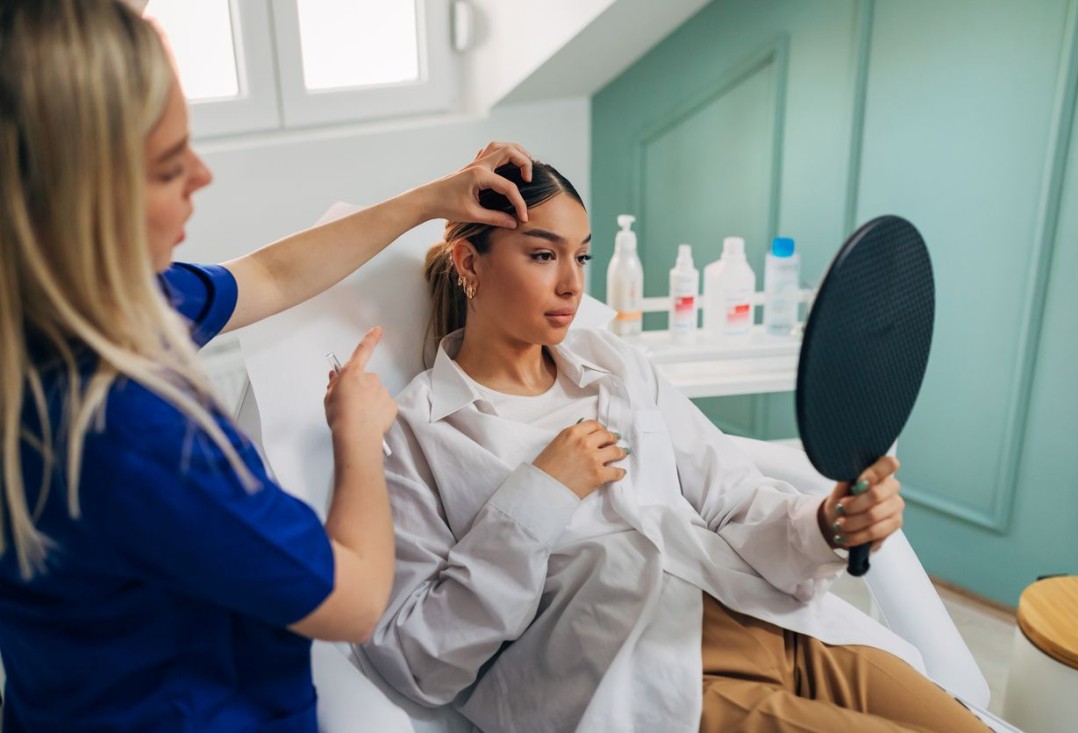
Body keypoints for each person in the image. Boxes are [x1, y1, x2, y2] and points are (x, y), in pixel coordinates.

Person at [0, 1, 535, 730]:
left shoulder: (88, 308)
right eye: (166, 168)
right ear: (76, 198)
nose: (201, 175)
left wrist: (431, 197)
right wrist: (357, 440)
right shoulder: (135, 435)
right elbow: (354, 598)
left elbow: (272, 275)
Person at [359, 161, 991, 733]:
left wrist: (825, 524)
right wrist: (540, 494)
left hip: (774, 622)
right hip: (647, 681)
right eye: (542, 255)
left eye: (581, 257)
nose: (572, 286)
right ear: (471, 264)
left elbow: (733, 500)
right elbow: (419, 660)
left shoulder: (618, 365)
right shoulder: (419, 431)